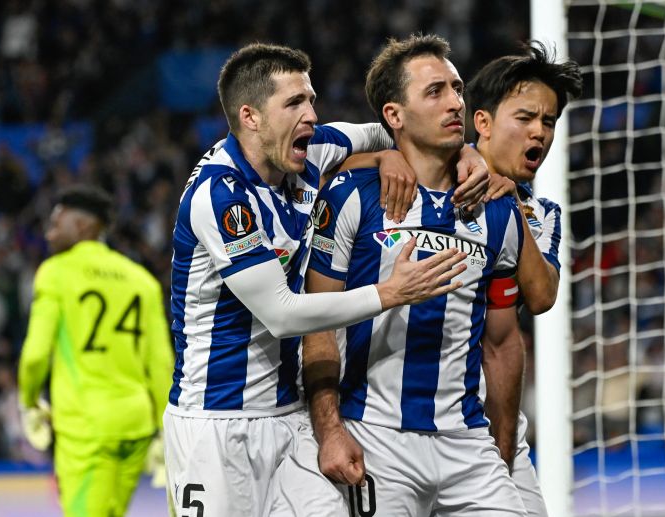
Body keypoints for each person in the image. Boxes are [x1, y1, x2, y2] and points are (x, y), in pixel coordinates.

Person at [164, 42, 471, 517]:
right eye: (294, 103)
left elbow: (396, 128)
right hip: (217, 424)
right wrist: (390, 293)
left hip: (291, 416)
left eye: (311, 99)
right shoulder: (220, 196)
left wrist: (431, 154)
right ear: (250, 117)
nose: (311, 114)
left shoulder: (314, 149)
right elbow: (282, 315)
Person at [303, 34, 529, 516]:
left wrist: (503, 452)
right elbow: (317, 327)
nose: (456, 103)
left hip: (468, 443)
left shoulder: (497, 208)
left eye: (457, 89)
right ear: (394, 115)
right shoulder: (351, 196)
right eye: (435, 92)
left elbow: (502, 342)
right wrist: (330, 430)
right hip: (376, 438)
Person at [468, 42, 582, 516]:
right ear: (483, 122)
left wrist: (511, 205)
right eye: (526, 117)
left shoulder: (540, 212)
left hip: (494, 416)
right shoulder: (427, 179)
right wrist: (382, 158)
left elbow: (541, 296)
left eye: (549, 122)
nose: (540, 131)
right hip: (404, 415)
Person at [17, 185, 174, 517]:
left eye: (56, 223)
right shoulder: (141, 281)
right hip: (136, 426)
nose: (48, 233)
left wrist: (29, 402)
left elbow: (35, 355)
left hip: (85, 427)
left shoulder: (56, 272)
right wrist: (167, 430)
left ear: (83, 226)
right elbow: (161, 363)